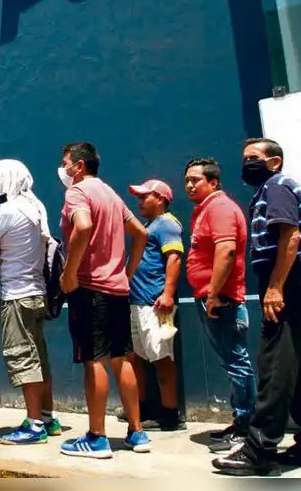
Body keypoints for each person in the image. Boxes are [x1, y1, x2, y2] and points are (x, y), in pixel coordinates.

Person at [213, 139, 301, 476]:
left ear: (275, 162)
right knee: (299, 363)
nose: (247, 164)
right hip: (294, 281)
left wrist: (275, 287)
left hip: (287, 281)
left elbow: (290, 236)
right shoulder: (273, 188)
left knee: (275, 366)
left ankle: (260, 448)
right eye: (244, 159)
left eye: (254, 158)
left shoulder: (276, 188)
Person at [57, 142, 150, 458]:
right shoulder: (110, 194)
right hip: (117, 289)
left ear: (79, 166)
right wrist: (127, 272)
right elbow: (141, 233)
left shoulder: (78, 192)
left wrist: (70, 273)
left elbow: (83, 226)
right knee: (121, 358)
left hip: (90, 289)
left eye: (66, 162)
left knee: (93, 360)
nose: (64, 168)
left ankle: (97, 437)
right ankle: (137, 432)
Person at [0, 159, 62, 445]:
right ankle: (47, 416)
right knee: (40, 358)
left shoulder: (6, 210)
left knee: (22, 357)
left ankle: (33, 425)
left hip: (15, 295)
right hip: (36, 293)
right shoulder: (36, 207)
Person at [184, 157, 256, 454]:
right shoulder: (204, 210)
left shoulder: (220, 208)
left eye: (195, 180)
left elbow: (225, 251)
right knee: (232, 362)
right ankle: (241, 421)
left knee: (237, 363)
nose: (189, 185)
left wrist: (213, 294)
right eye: (187, 179)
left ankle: (248, 428)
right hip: (212, 298)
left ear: (213, 182)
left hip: (221, 300)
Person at [127, 179, 185, 431]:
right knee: (139, 356)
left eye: (144, 197)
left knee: (161, 358)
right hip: (137, 302)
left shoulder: (167, 224)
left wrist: (168, 293)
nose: (139, 201)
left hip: (154, 303)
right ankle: (146, 407)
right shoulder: (151, 225)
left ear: (160, 199)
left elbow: (174, 257)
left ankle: (170, 414)